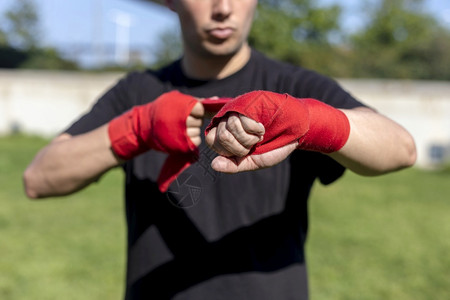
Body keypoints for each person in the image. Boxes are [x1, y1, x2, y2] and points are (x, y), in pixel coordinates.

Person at [23, 0, 417, 299]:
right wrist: (137, 128)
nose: (223, 9)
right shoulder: (138, 92)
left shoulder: (293, 87)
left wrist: (311, 121)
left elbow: (401, 148)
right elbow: (39, 179)